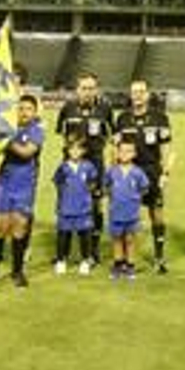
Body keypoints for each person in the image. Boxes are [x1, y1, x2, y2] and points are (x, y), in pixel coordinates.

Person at [113, 79, 175, 274]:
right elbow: (115, 148)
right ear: (130, 95)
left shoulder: (160, 118)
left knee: (156, 213)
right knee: (127, 214)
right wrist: (114, 172)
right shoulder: (122, 118)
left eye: (141, 92)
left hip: (152, 171)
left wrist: (165, 173)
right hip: (129, 172)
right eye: (134, 92)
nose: (138, 95)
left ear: (147, 95)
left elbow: (166, 148)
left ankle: (159, 257)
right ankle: (124, 258)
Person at [0, 95, 43, 289]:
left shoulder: (36, 130)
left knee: (19, 226)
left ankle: (17, 271)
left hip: (24, 184)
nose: (24, 112)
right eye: (21, 108)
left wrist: (7, 141)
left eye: (28, 109)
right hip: (3, 182)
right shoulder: (6, 127)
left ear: (35, 112)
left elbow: (27, 152)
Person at [55, 71, 115, 266]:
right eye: (84, 88)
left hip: (95, 163)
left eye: (91, 88)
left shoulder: (105, 108)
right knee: (66, 203)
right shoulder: (67, 108)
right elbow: (63, 136)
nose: (88, 92)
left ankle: (92, 250)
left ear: (96, 89)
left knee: (95, 204)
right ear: (77, 89)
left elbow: (112, 137)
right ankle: (63, 251)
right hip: (71, 165)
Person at [105, 138, 150, 281]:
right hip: (116, 212)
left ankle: (130, 265)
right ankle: (118, 264)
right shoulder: (112, 171)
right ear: (117, 153)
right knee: (117, 239)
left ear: (134, 154)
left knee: (130, 240)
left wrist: (134, 199)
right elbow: (107, 187)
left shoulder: (138, 172)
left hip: (132, 213)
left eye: (129, 151)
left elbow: (144, 188)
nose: (125, 154)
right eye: (122, 151)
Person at [52, 135, 98, 275]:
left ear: (84, 151)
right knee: (63, 235)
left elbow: (93, 182)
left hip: (83, 208)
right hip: (66, 208)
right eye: (72, 149)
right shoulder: (63, 167)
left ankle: (85, 260)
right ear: (67, 150)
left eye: (78, 149)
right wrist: (63, 198)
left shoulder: (88, 167)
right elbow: (57, 182)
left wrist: (88, 192)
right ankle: (61, 260)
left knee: (85, 236)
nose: (75, 152)